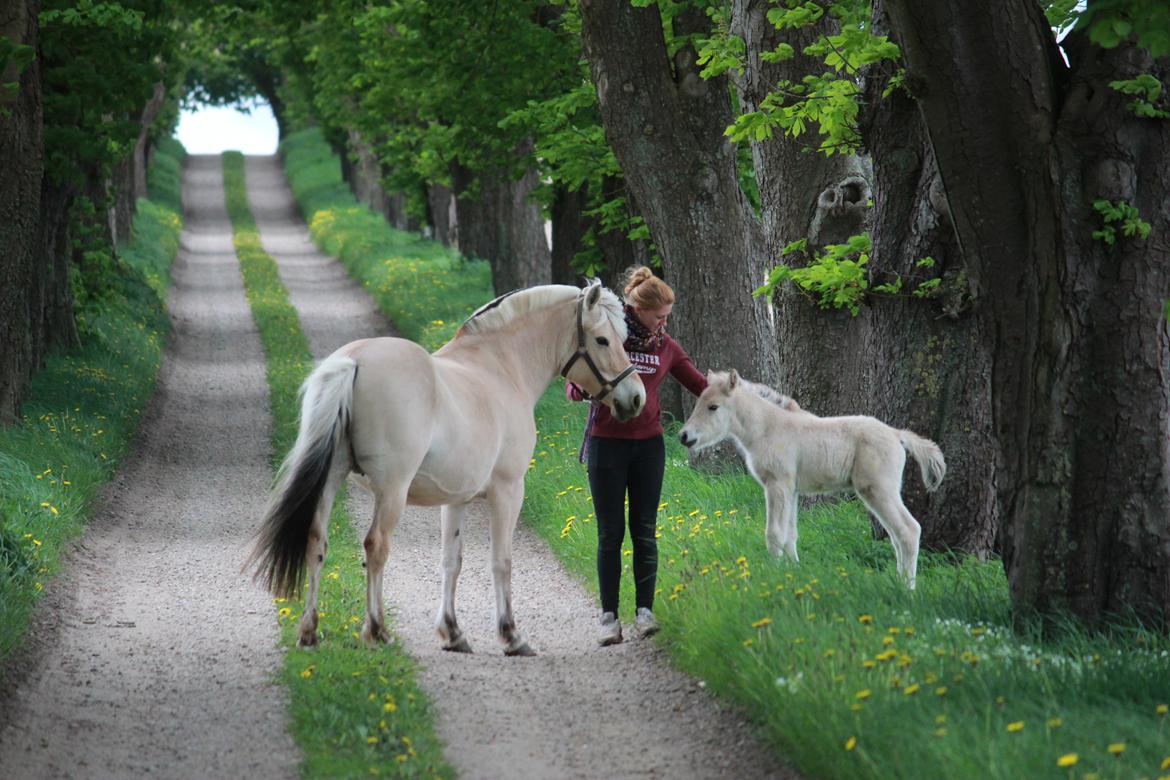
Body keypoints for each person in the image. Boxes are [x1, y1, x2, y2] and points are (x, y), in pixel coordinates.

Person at [566, 267, 707, 646]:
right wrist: (582, 391)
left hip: (649, 447)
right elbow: (574, 385)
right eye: (659, 315)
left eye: (668, 316)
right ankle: (608, 617)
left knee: (644, 530)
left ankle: (645, 612)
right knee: (610, 533)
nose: (664, 322)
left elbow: (702, 387)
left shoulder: (667, 347)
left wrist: (739, 399)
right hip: (606, 444)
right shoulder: (612, 337)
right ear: (637, 309)